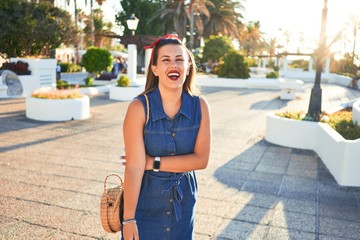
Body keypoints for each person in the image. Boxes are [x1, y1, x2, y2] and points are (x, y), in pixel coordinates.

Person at [122, 33, 212, 240]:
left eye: (179, 59)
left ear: (188, 66)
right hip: (144, 205)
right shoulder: (139, 108)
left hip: (184, 205)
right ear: (154, 68)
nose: (174, 65)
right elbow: (135, 167)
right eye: (166, 60)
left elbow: (201, 160)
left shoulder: (200, 107)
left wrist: (152, 162)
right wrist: (128, 219)